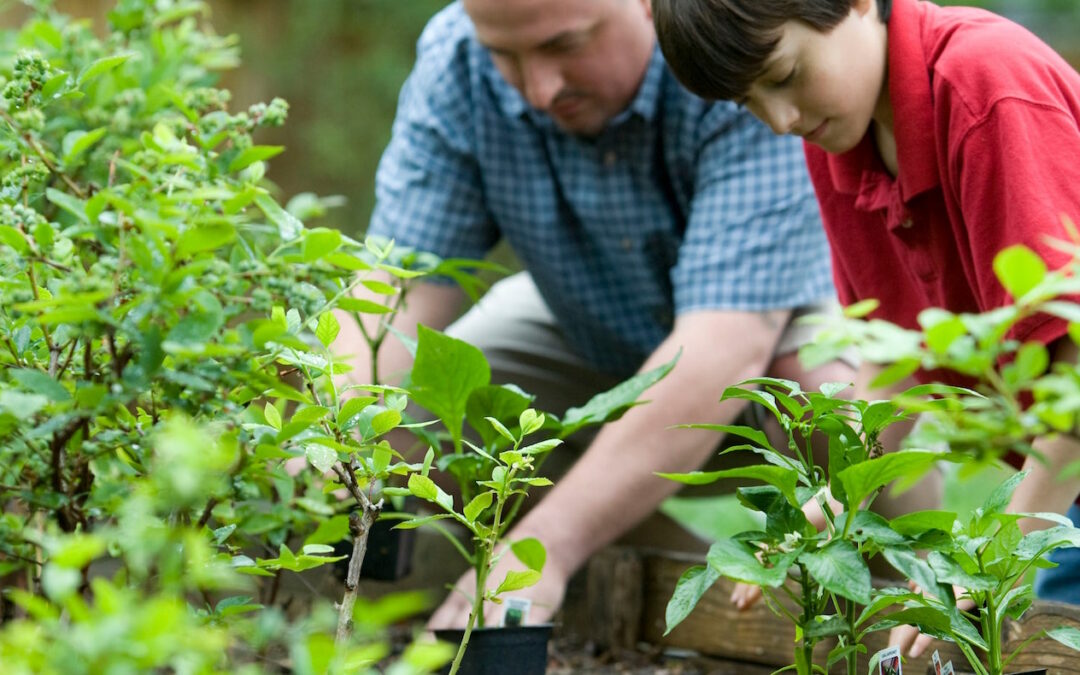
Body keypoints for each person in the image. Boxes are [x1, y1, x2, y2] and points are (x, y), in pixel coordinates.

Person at [341, 0, 877, 630]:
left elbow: (722, 350)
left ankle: (874, 616)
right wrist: (329, 438)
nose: (540, 89)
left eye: (565, 45)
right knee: (405, 415)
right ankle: (646, 580)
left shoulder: (731, 48)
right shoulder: (457, 60)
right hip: (583, 317)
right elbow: (396, 293)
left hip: (771, 317)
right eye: (506, 57)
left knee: (829, 404)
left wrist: (547, 548)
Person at [653, 0, 1080, 657]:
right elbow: (896, 354)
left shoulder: (983, 85)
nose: (782, 119)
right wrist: (827, 511)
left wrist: (993, 565)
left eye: (786, 74)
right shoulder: (841, 138)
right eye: (749, 103)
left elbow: (1073, 380)